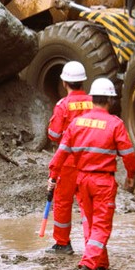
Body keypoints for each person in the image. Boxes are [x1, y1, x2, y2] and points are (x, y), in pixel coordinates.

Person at [48, 76, 135, 270]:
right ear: (110, 100)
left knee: (91, 223)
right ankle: (89, 265)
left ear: (92, 98)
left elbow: (60, 153)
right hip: (103, 182)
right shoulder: (115, 124)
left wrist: (53, 176)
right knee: (101, 226)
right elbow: (129, 156)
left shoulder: (77, 123)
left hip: (82, 180)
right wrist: (131, 176)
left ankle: (101, 265)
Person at [44, 61, 96, 256]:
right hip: (90, 161)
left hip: (67, 162)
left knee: (63, 202)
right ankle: (93, 245)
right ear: (83, 81)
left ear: (64, 82)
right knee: (88, 204)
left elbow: (53, 135)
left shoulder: (63, 105)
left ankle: (63, 243)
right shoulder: (94, 102)